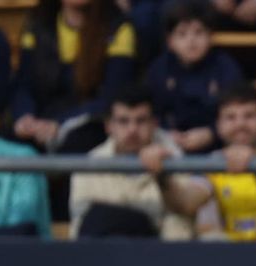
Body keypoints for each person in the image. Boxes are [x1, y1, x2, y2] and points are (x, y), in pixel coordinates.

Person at [150, 83, 256, 240]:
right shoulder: (214, 161)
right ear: (219, 126)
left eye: (249, 116)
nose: (240, 124)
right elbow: (185, 204)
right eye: (230, 117)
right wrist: (162, 177)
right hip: (236, 256)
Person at [8, 0, 138, 154]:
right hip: (39, 124)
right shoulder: (38, 23)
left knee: (78, 143)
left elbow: (113, 95)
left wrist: (59, 124)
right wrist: (25, 117)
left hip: (89, 124)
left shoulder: (119, 28)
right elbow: (23, 84)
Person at [72, 84, 193, 237]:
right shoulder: (88, 167)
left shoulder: (176, 160)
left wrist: (163, 176)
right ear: (108, 126)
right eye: (123, 121)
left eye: (141, 121)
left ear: (154, 124)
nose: (132, 130)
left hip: (156, 255)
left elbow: (181, 230)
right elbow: (80, 231)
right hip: (104, 255)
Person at [143, 2, 245, 154]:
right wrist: (165, 134)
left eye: (199, 32)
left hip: (220, 151)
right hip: (168, 150)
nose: (191, 41)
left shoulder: (226, 68)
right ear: (170, 41)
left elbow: (239, 115)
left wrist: (212, 133)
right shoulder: (158, 70)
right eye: (182, 34)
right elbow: (150, 113)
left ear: (211, 36)